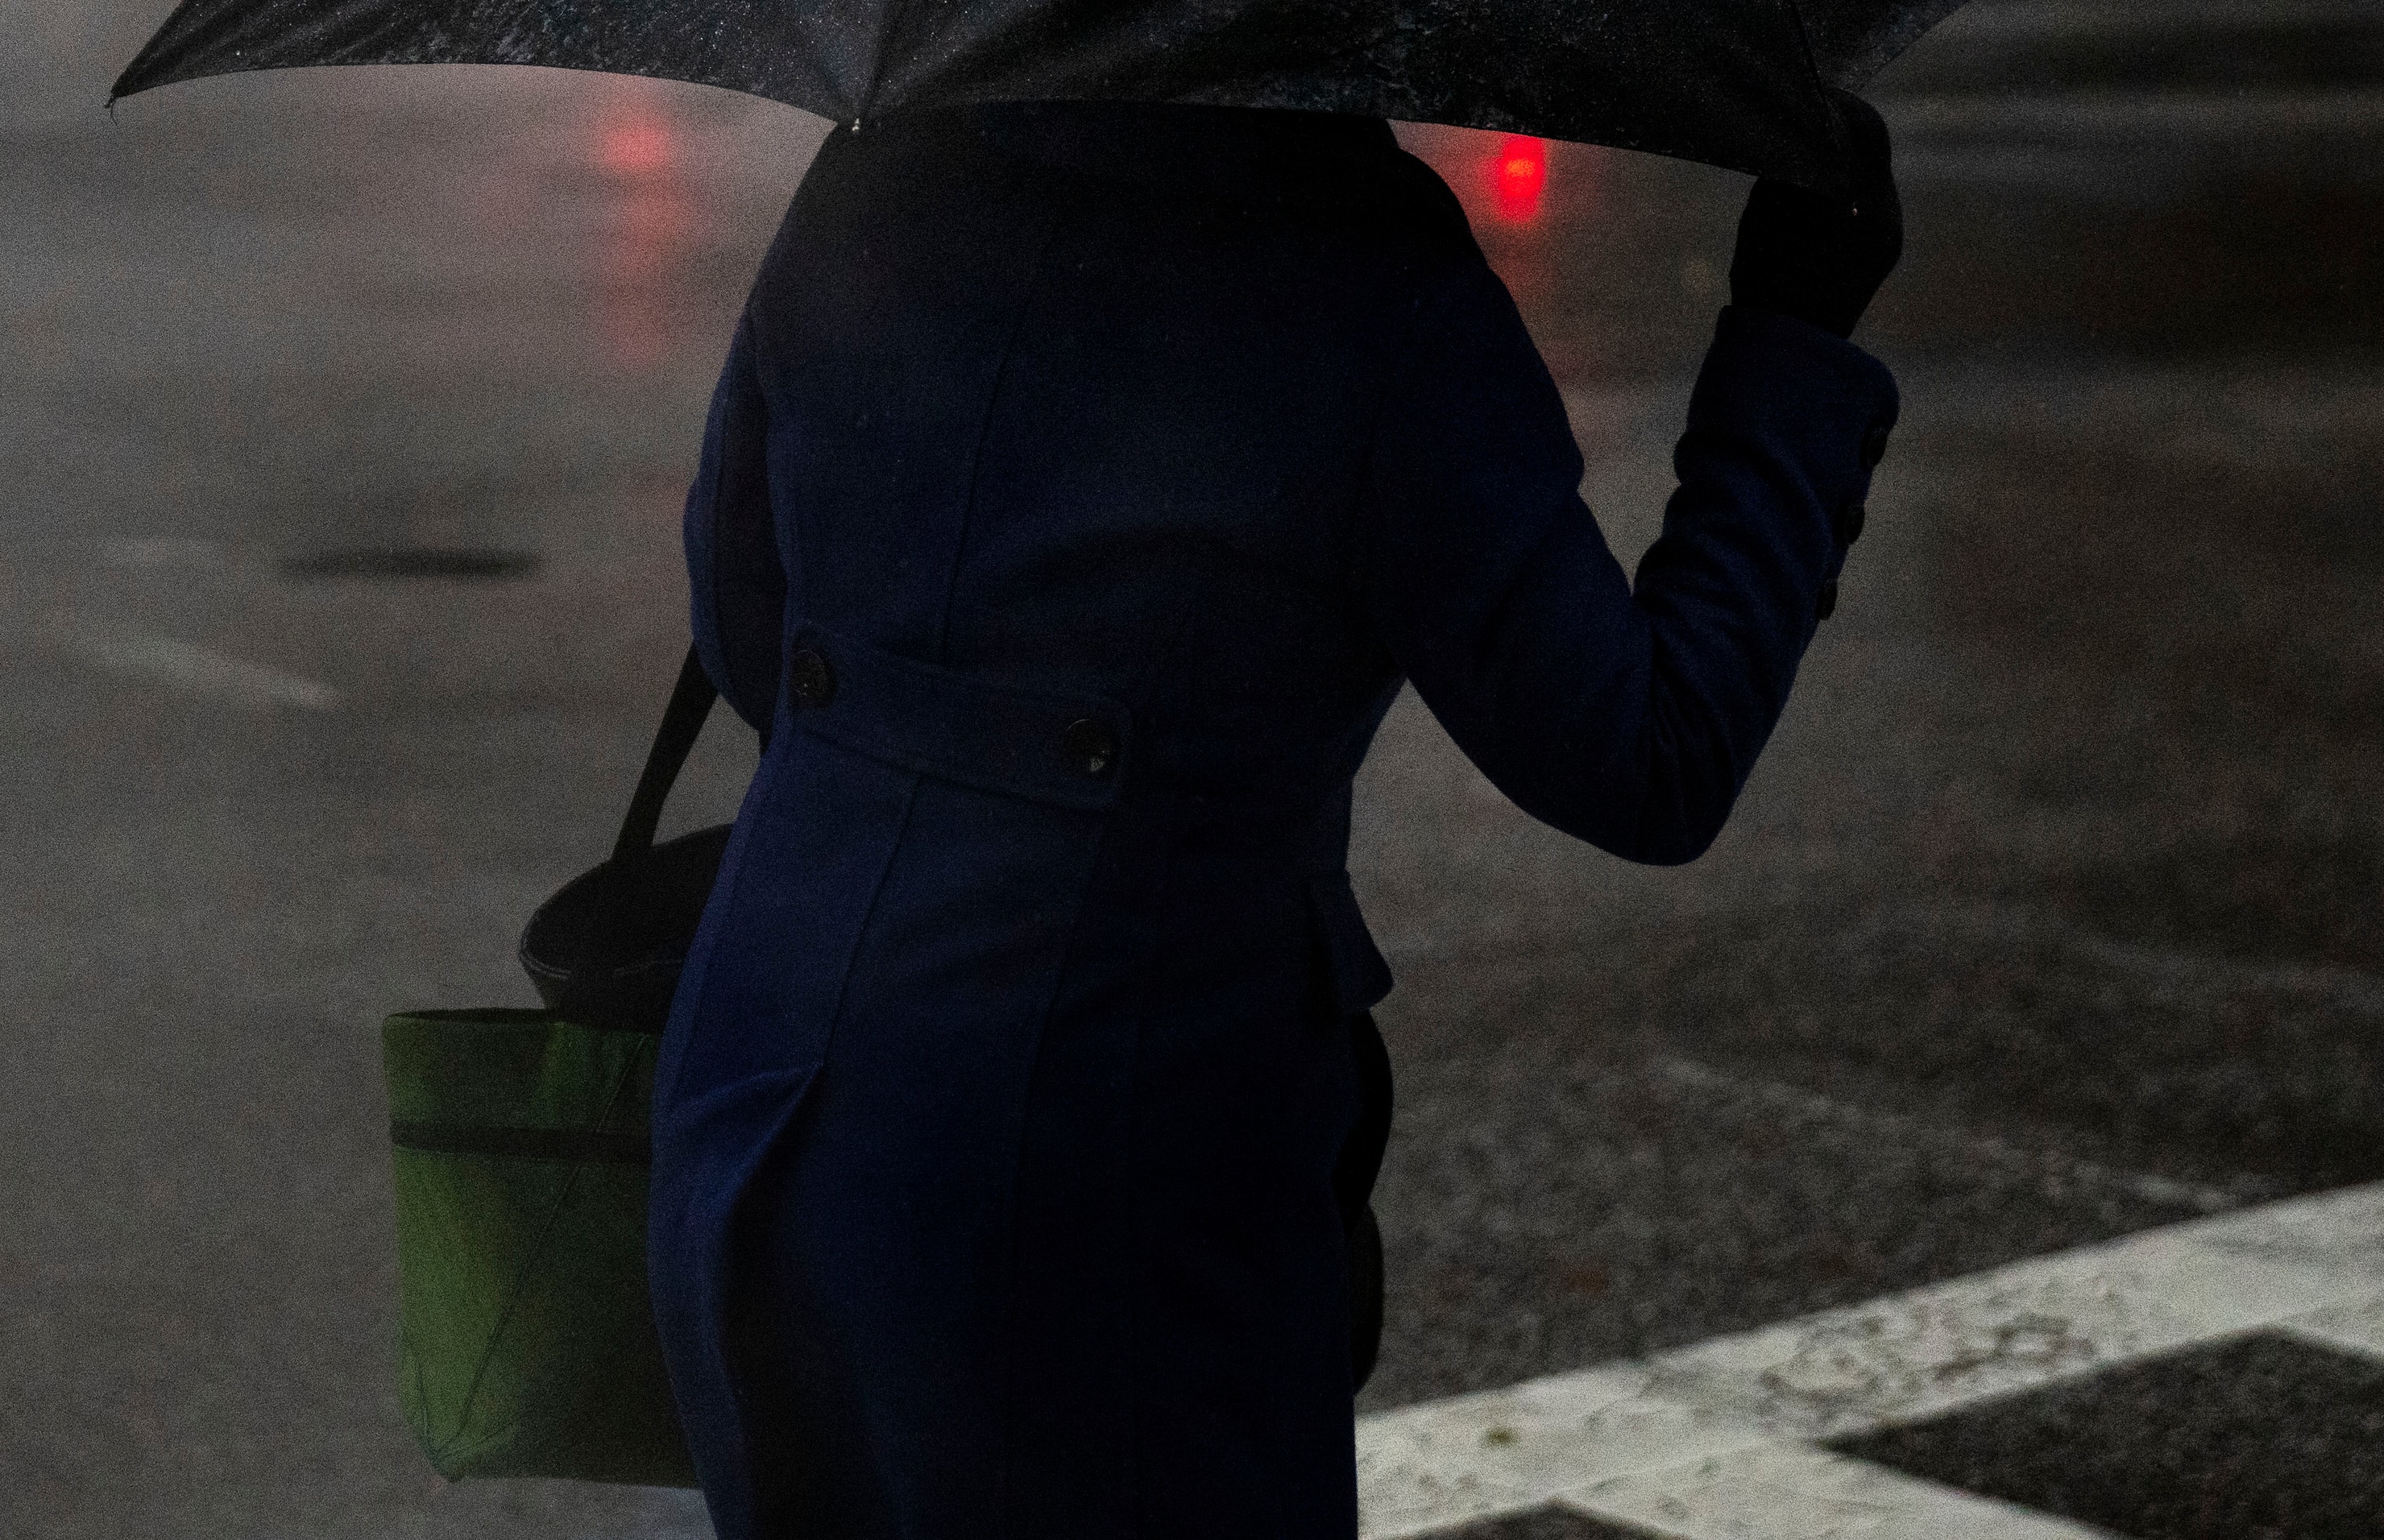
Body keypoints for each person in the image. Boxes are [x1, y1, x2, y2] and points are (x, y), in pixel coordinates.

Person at [645, 96, 1904, 1538]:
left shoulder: (884, 168)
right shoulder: (1363, 278)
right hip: (1100, 1166)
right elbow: (1646, 754)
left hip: (759, 1108)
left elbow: (751, 629)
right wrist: (1794, 329)